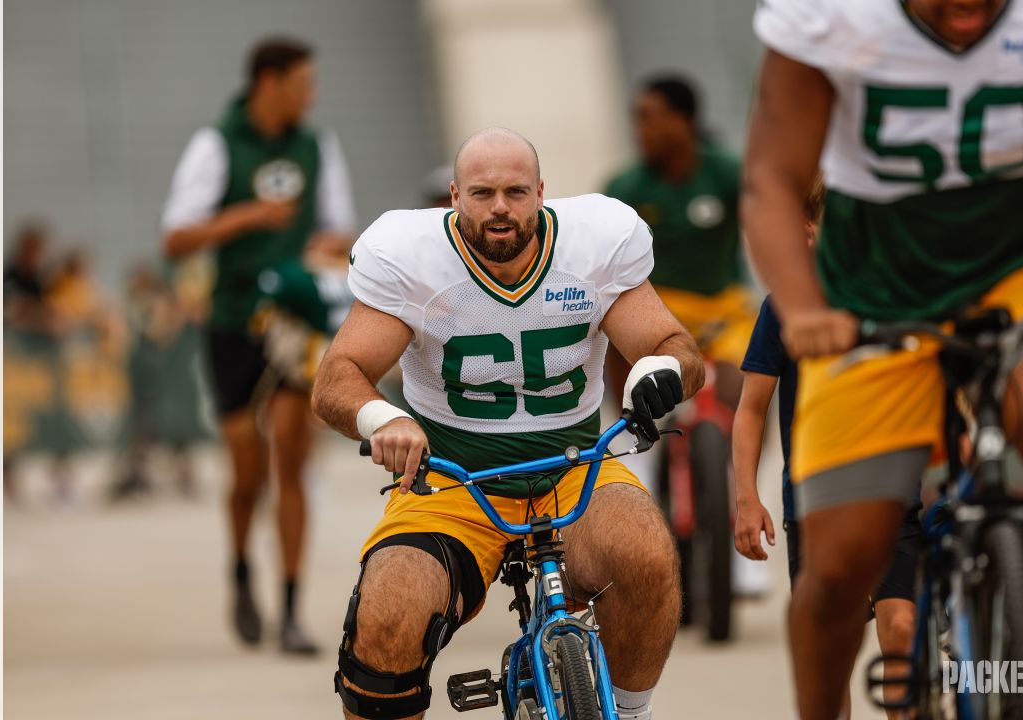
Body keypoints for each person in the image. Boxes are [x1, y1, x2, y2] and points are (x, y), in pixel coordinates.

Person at [743, 1, 1023, 718]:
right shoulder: (833, 21)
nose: (970, 11)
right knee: (838, 569)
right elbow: (771, 181)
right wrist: (806, 311)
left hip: (1014, 268)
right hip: (872, 291)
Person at [311, 127, 703, 720]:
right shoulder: (410, 256)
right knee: (387, 612)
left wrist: (660, 368)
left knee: (646, 554)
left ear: (542, 192)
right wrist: (382, 417)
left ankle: (631, 709)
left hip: (574, 468)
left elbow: (675, 343)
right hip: (452, 481)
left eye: (516, 192)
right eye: (483, 192)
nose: (500, 207)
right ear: (453, 196)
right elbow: (337, 375)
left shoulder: (594, 243)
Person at [161, 36, 357, 655]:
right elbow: (177, 239)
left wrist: (316, 249)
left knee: (291, 464)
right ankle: (242, 567)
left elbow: (340, 228)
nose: (313, 95)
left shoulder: (317, 146)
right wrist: (249, 217)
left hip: (293, 326)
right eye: (305, 82)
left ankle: (292, 610)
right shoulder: (216, 143)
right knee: (247, 474)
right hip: (232, 322)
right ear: (270, 83)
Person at [731, 179, 917, 719]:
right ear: (808, 233)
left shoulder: (902, 299)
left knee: (901, 628)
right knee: (830, 657)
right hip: (816, 503)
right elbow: (749, 410)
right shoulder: (784, 308)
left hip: (899, 495)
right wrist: (747, 497)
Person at [604, 75, 754, 408]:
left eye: (647, 117)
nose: (638, 129)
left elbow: (769, 217)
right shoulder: (626, 187)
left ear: (681, 121)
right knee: (612, 330)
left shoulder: (726, 172)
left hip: (722, 306)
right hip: (661, 309)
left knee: (738, 390)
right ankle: (627, 429)